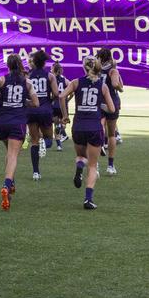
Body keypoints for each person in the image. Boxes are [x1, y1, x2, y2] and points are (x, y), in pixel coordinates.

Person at [59, 56, 115, 210]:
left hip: (78, 126)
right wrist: (98, 106)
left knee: (81, 156)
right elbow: (112, 109)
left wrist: (65, 116)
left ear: (84, 67)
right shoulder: (102, 86)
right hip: (94, 127)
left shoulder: (76, 82)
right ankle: (88, 199)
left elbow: (61, 96)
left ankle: (78, 167)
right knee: (92, 165)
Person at [0, 54, 38, 211]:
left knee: (9, 153)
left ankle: (12, 182)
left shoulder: (1, 80)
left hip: (2, 122)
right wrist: (23, 101)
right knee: (13, 155)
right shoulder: (27, 82)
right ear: (20, 65)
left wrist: (0, 97)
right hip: (18, 121)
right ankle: (6, 185)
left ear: (8, 66)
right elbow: (36, 103)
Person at [26, 50, 60, 180]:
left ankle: (36, 172)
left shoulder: (28, 76)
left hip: (32, 110)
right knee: (49, 140)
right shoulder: (50, 76)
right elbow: (56, 94)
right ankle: (43, 144)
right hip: (45, 109)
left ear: (34, 62)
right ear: (44, 62)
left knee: (34, 141)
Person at [96, 48, 123, 175]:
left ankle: (95, 161)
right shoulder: (113, 70)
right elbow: (115, 83)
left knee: (99, 125)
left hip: (99, 101)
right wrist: (120, 88)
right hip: (112, 100)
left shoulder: (96, 70)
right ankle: (110, 166)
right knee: (112, 134)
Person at [51, 63, 70, 151]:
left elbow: (51, 93)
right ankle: (62, 130)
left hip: (54, 104)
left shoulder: (51, 79)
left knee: (56, 124)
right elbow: (72, 92)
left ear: (54, 70)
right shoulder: (65, 80)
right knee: (63, 123)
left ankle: (59, 145)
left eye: (51, 68)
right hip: (63, 105)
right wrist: (67, 99)